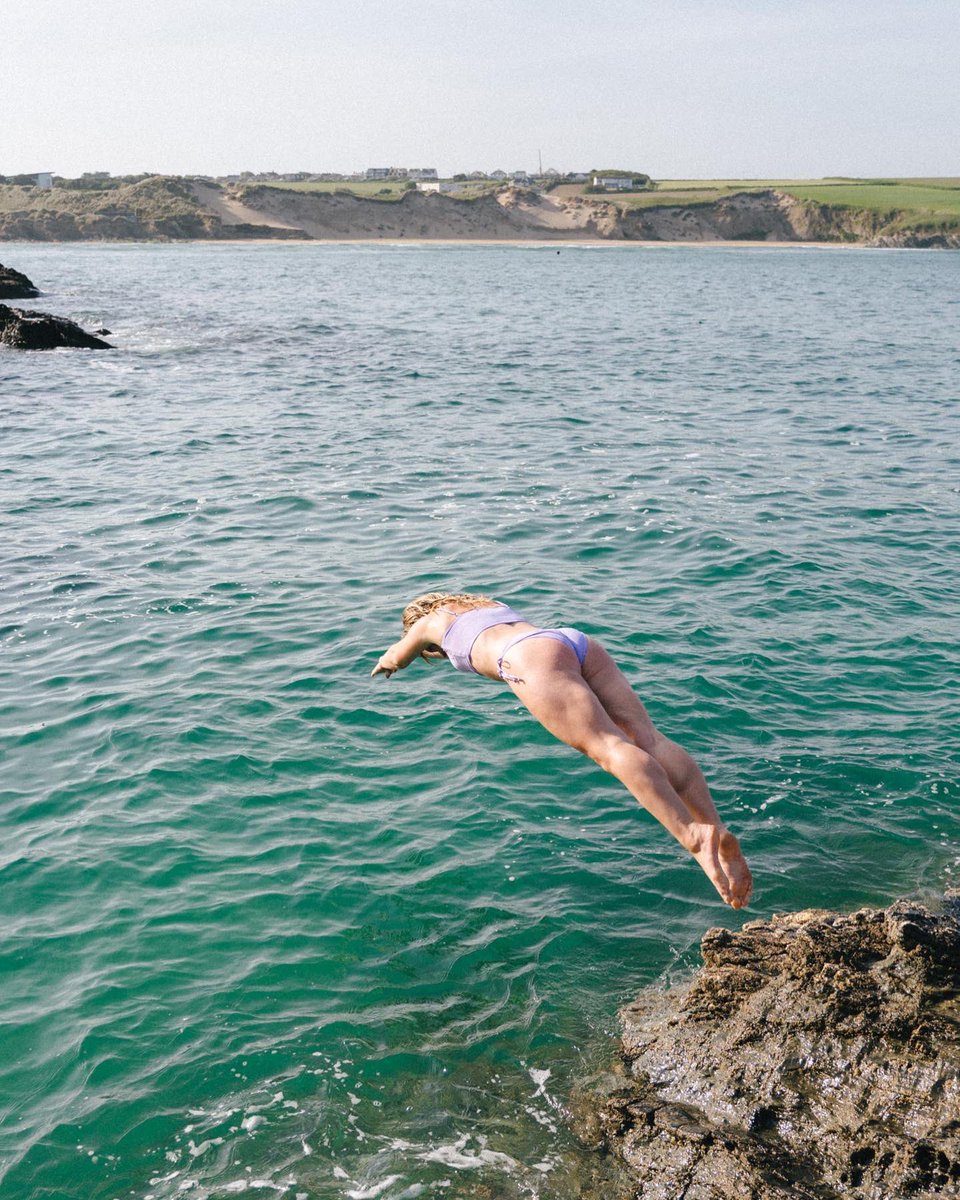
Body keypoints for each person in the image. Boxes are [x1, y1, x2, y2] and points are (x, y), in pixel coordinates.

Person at [372, 592, 752, 910]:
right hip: (570, 640)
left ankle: (695, 838)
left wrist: (386, 665)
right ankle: (714, 827)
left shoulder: (427, 625)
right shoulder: (484, 605)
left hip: (524, 658)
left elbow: (396, 655)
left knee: (608, 748)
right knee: (649, 738)